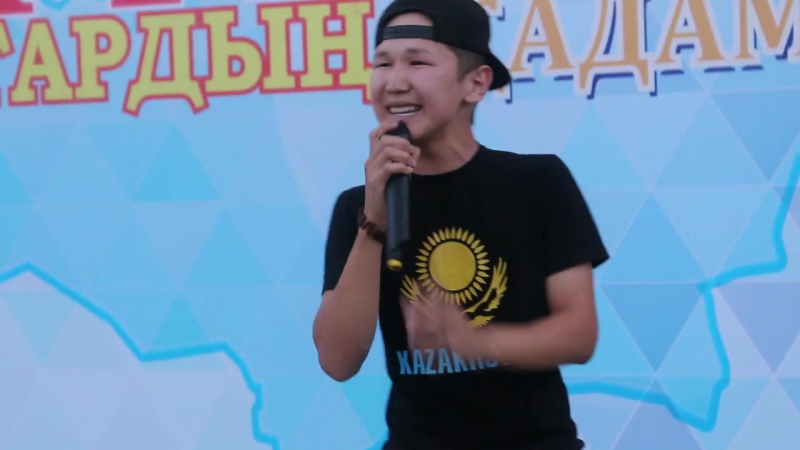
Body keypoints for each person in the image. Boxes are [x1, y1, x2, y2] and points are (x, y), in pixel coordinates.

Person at [312, 0, 610, 448]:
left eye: (417, 62)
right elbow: (338, 360)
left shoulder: (537, 183)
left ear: (475, 82)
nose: (395, 82)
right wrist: (374, 221)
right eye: (383, 64)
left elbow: (579, 334)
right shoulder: (359, 206)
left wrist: (477, 342)